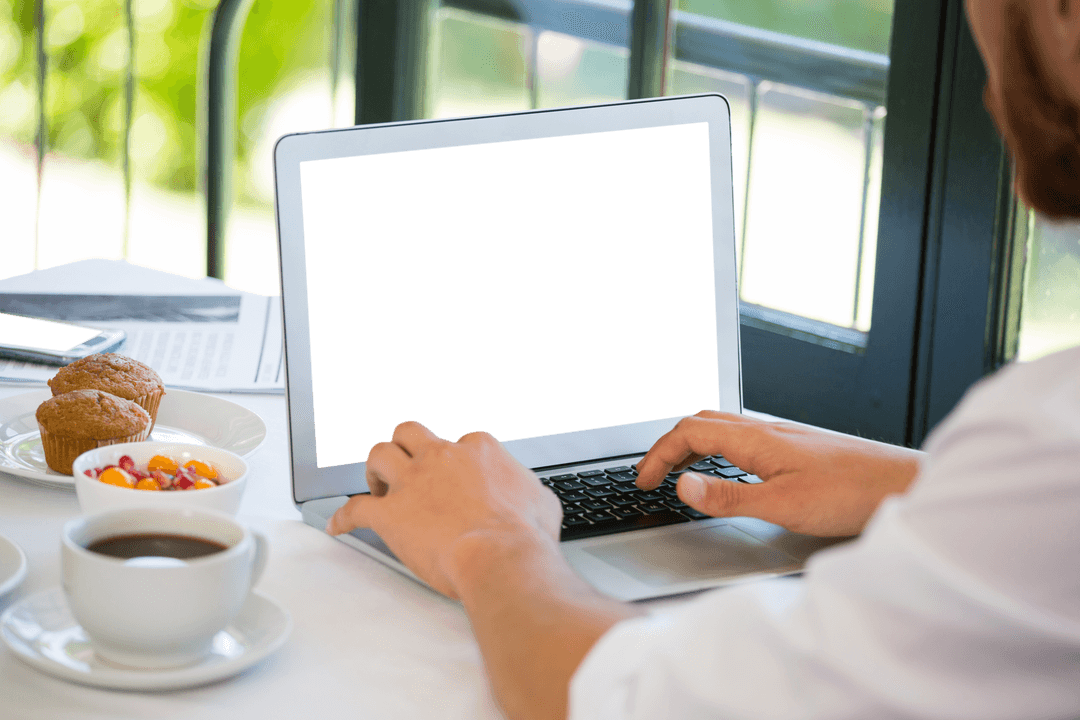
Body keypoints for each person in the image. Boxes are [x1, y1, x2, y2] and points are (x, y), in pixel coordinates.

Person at [327, 1, 1080, 718]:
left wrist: (488, 539)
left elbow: (617, 702)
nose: (987, 88)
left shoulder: (1052, 447)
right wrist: (913, 486)